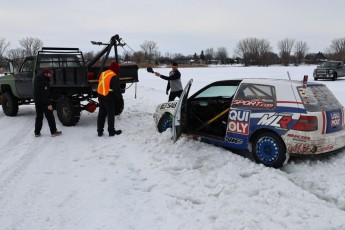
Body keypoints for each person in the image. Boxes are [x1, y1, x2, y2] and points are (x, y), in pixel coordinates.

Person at [34, 68, 62, 137]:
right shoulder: (44, 82)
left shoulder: (37, 79)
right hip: (44, 102)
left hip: (37, 101)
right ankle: (53, 131)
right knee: (50, 117)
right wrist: (49, 104)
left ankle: (37, 132)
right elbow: (45, 94)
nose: (51, 75)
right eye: (50, 73)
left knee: (39, 117)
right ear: (45, 73)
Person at [97, 61, 122, 137]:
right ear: (115, 69)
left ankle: (100, 131)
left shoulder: (104, 73)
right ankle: (111, 132)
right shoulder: (114, 76)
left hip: (101, 96)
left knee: (101, 114)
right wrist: (119, 100)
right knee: (110, 115)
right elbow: (117, 90)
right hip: (108, 98)